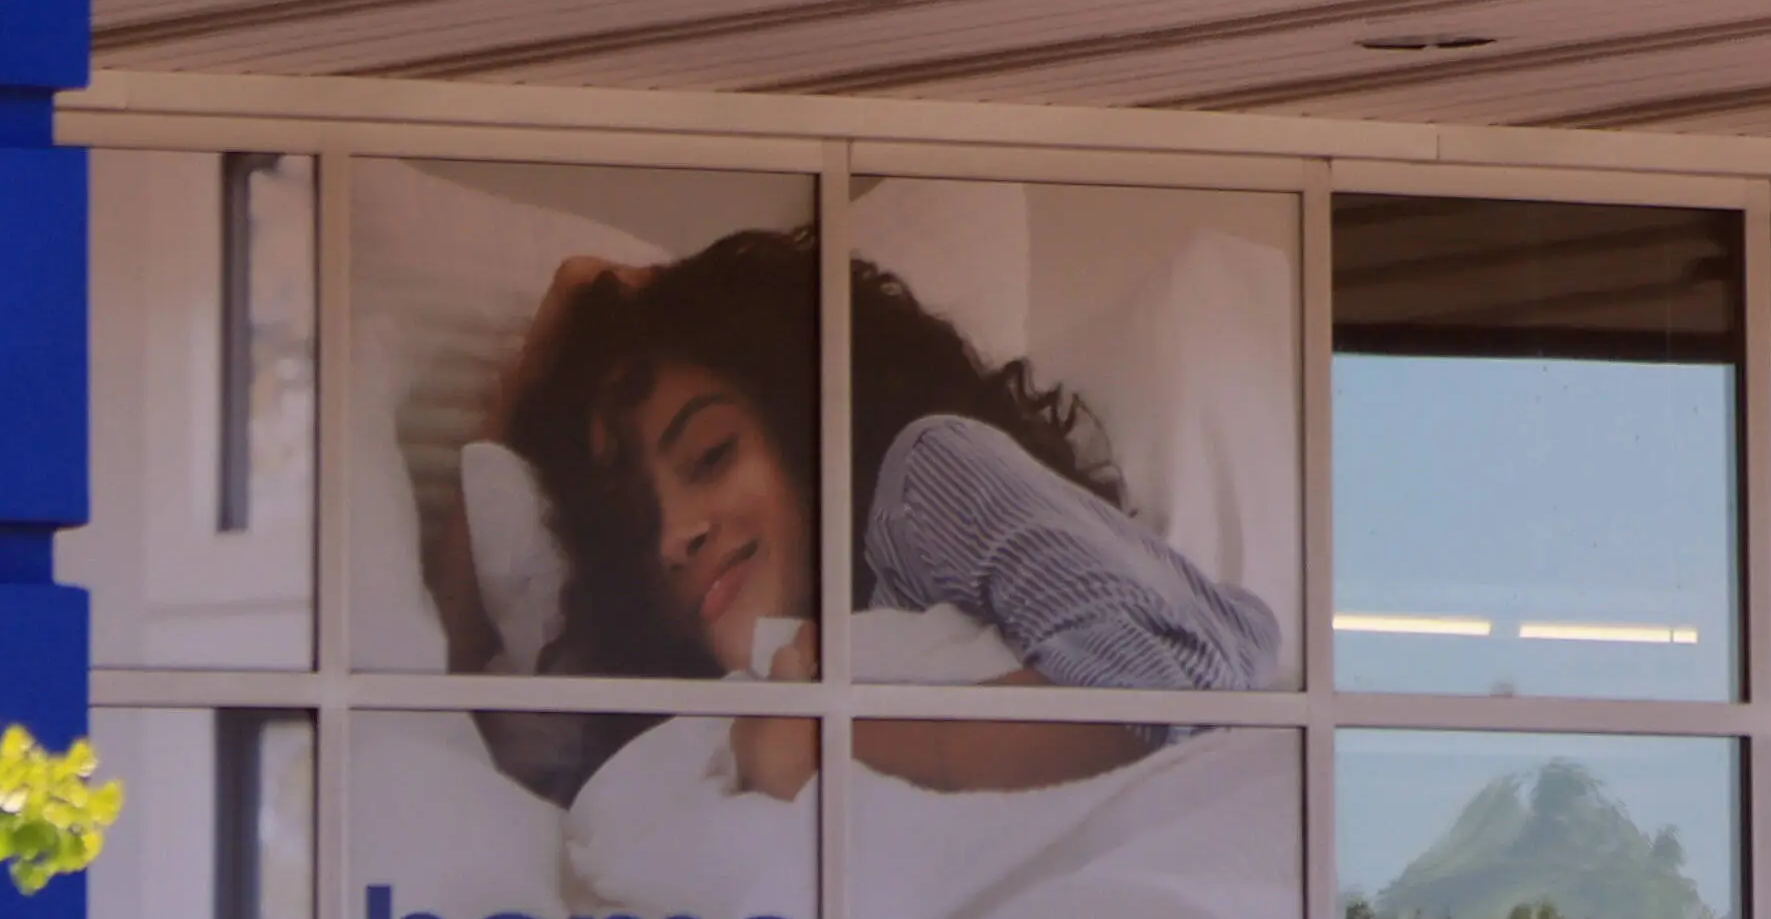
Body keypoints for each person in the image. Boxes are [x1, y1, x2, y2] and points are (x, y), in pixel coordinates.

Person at [480, 229, 1279, 794]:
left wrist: (823, 746)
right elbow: (455, 729)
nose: (671, 536)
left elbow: (1163, 684)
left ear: (807, 430)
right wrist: (542, 361)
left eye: (712, 457)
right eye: (632, 517)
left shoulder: (927, 479)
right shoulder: (691, 718)